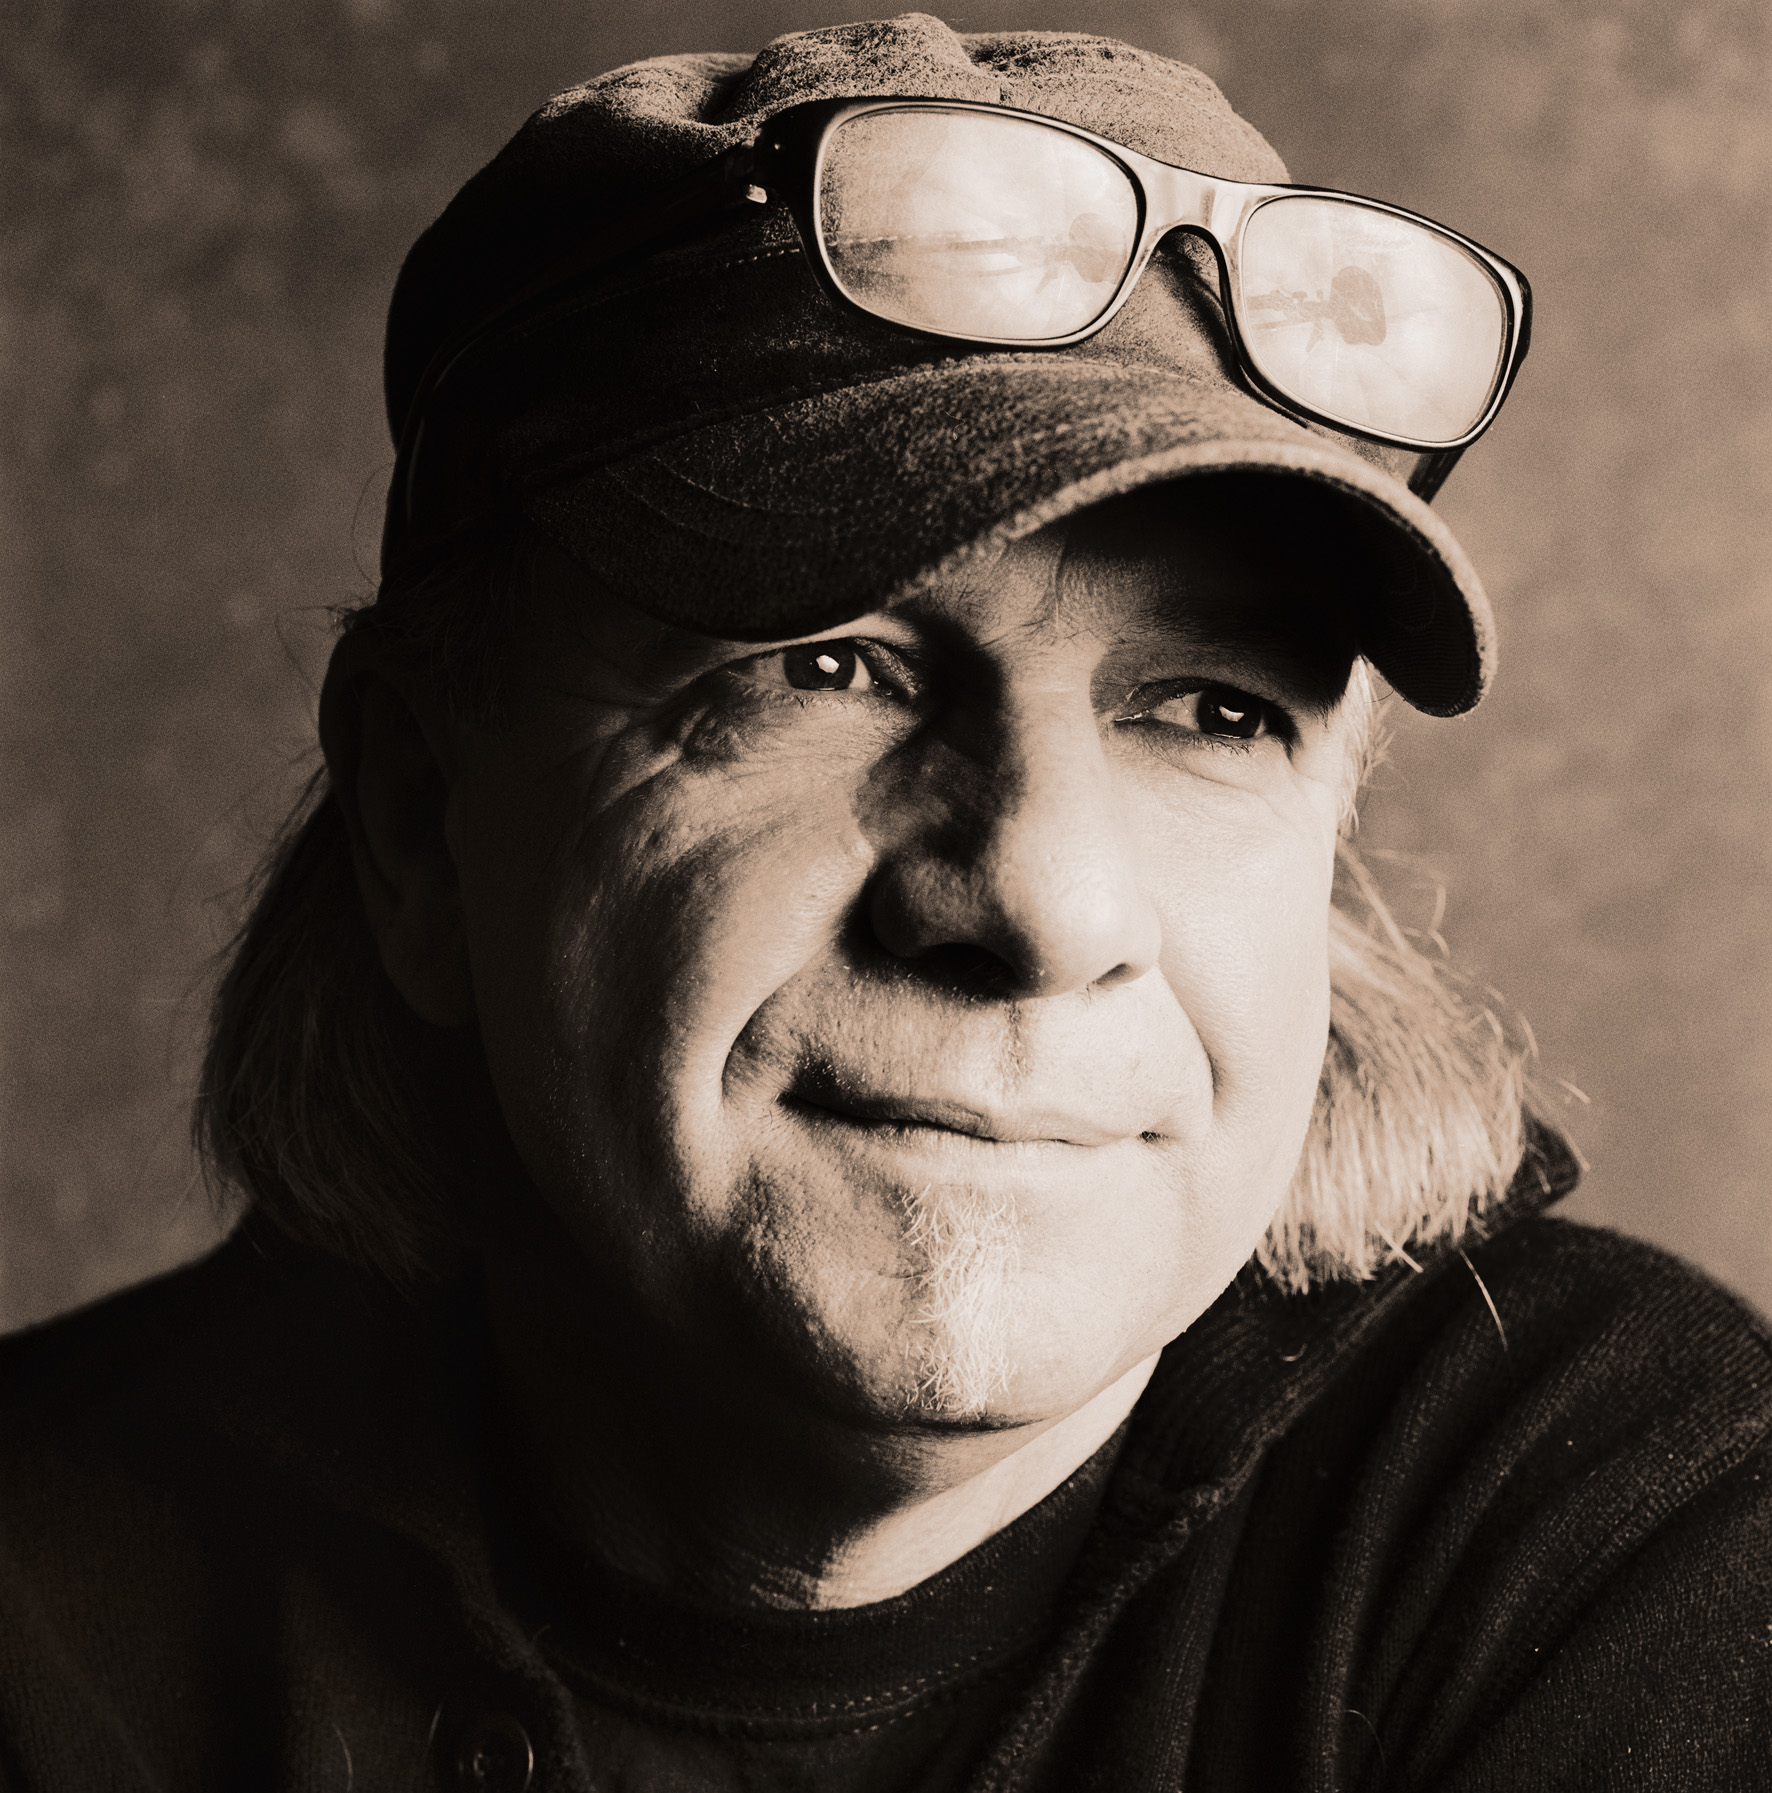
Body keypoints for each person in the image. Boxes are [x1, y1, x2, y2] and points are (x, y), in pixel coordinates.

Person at [2, 15, 1768, 1791]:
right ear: (416, 817)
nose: (1045, 903)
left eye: (1216, 711)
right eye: (828, 666)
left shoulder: (1625, 1540)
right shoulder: (50, 1608)